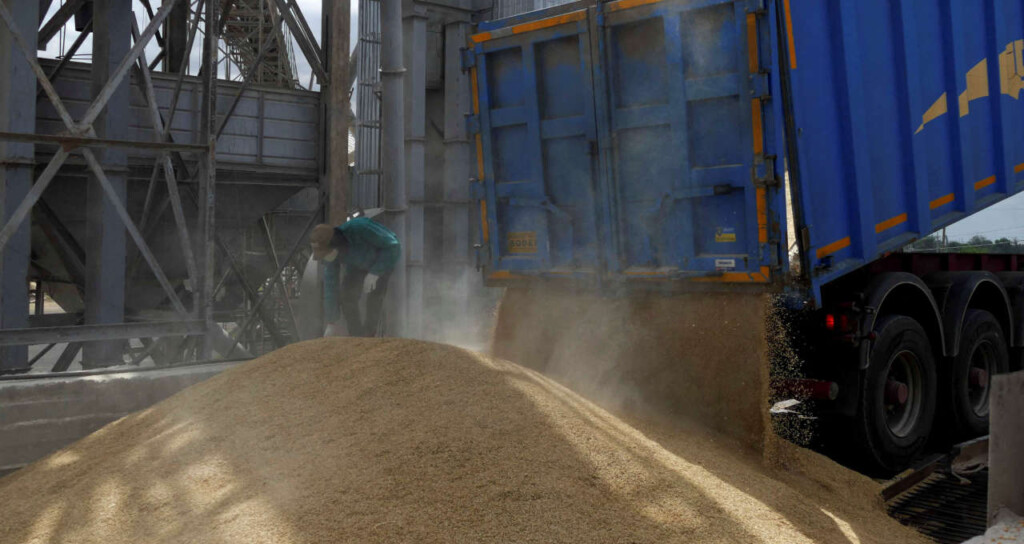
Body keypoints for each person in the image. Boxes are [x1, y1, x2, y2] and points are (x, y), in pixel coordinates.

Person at [310, 217, 400, 337]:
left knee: (374, 299)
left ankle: (369, 336)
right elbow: (330, 285)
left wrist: (375, 272)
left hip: (381, 261)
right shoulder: (331, 255)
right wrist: (332, 321)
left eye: (325, 254)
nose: (325, 258)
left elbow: (393, 246)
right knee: (347, 296)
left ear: (334, 244)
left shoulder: (360, 227)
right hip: (356, 267)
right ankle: (356, 337)